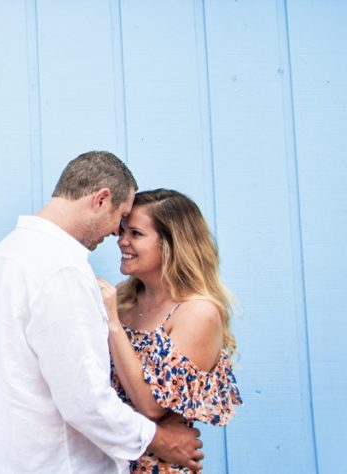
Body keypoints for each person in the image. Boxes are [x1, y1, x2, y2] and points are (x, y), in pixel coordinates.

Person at [0, 151, 203, 473]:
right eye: (120, 217)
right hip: (60, 463)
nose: (116, 233)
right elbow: (85, 401)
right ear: (101, 199)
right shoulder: (61, 269)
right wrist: (162, 440)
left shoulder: (6, 254)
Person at [98, 189, 242, 473]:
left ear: (171, 244)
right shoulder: (123, 299)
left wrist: (112, 322)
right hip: (106, 462)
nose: (122, 241)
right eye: (123, 231)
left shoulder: (197, 312)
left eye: (136, 234)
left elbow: (152, 406)